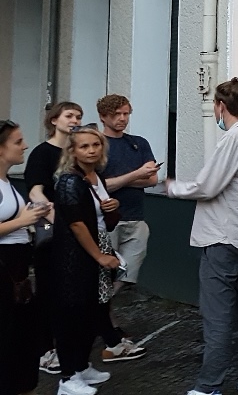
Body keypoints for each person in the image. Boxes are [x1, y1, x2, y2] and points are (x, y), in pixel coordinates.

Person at [166, 78, 238, 395]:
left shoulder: (234, 139)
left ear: (221, 106)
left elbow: (207, 186)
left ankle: (209, 385)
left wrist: (172, 187)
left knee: (217, 317)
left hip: (223, 239)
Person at [50, 126, 121, 395]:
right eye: (84, 146)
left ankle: (81, 366)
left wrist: (112, 207)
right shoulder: (70, 181)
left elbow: (101, 218)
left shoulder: (95, 176)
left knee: (94, 310)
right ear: (72, 151)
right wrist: (99, 255)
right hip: (75, 256)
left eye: (96, 145)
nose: (91, 150)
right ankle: (68, 377)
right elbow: (77, 224)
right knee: (73, 314)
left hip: (98, 246)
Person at [23, 101, 83, 375]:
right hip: (53, 229)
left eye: (78, 116)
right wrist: (57, 219)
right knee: (47, 290)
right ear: (54, 120)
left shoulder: (78, 153)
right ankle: (45, 349)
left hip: (77, 228)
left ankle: (69, 348)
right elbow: (35, 192)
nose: (75, 120)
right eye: (69, 115)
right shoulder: (42, 153)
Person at [0, 119, 51, 395]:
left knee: (21, 341)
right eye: (18, 142)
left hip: (17, 269)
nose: (25, 146)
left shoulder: (7, 182)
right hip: (5, 268)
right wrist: (24, 220)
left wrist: (33, 212)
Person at [97, 95, 159, 299]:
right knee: (103, 272)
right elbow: (97, 186)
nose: (122, 118)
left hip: (136, 217)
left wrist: (117, 181)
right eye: (117, 114)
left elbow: (152, 179)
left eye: (126, 114)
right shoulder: (96, 145)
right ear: (103, 116)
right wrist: (137, 174)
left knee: (128, 272)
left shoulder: (138, 143)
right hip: (106, 221)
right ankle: (102, 312)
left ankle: (104, 304)